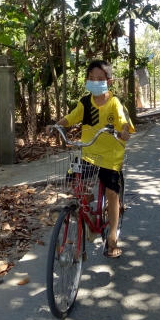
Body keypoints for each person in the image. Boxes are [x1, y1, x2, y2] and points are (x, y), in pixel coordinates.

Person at [47, 59, 134, 258]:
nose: (95, 82)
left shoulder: (114, 102)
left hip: (111, 156)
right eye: (91, 78)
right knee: (72, 180)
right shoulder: (85, 102)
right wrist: (57, 125)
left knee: (112, 194)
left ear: (109, 81)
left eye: (100, 79)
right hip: (89, 154)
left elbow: (123, 121)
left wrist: (123, 131)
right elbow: (72, 116)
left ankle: (112, 237)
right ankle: (87, 208)